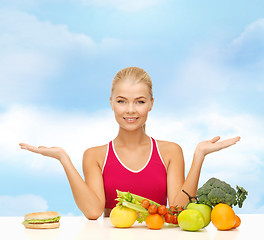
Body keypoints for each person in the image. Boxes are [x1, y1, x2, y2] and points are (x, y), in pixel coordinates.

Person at [19, 67, 240, 220]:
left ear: (151, 104)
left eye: (140, 101)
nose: (131, 110)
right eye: (122, 101)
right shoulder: (95, 156)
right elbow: (94, 212)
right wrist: (63, 159)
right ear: (111, 103)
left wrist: (199, 156)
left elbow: (178, 209)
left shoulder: (170, 152)